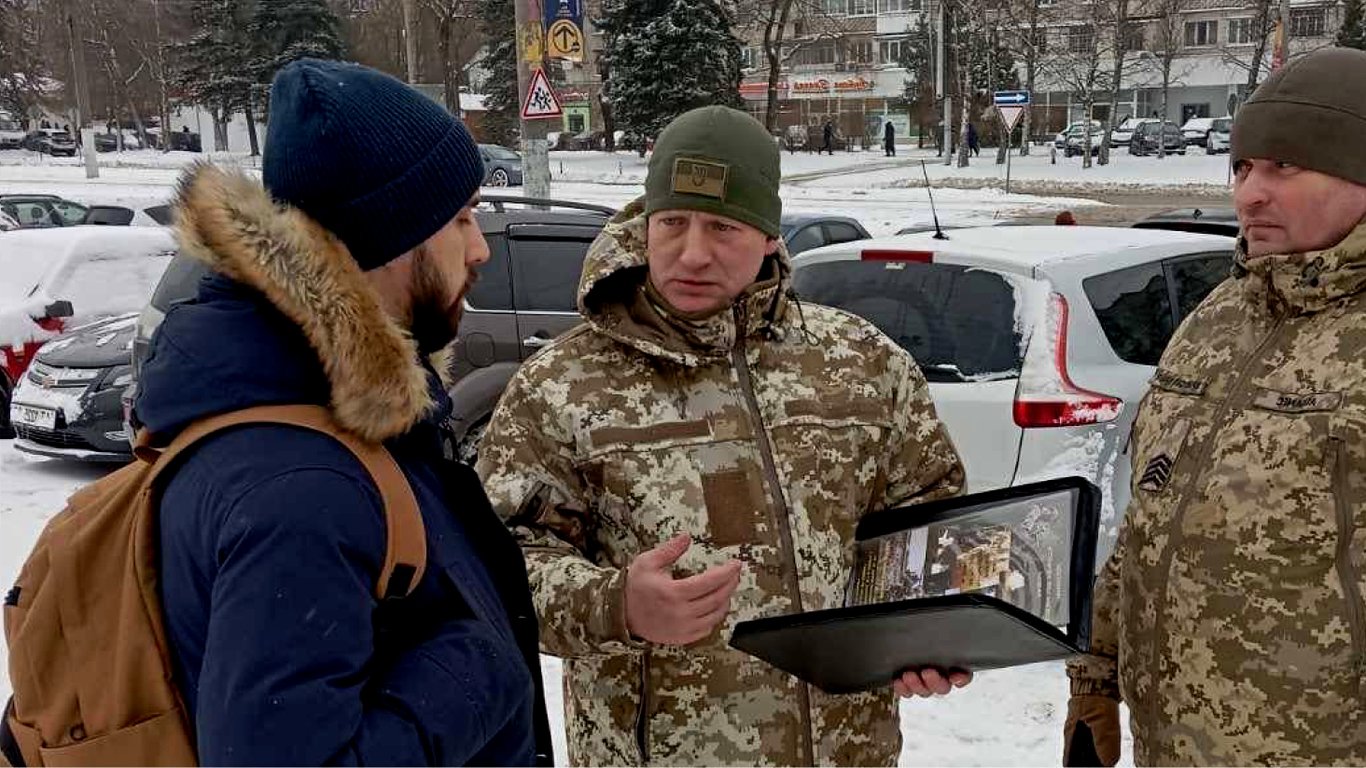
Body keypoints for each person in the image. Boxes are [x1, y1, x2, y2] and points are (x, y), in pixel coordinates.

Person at [476, 105, 969, 767]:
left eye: (722, 227)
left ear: (768, 234)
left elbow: (931, 519)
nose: (693, 253)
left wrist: (926, 631)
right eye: (672, 223)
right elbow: (495, 570)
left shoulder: (863, 363)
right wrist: (615, 605)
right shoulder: (561, 385)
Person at [133, 59, 551, 766]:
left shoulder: (333, 425)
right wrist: (479, 669)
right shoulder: (300, 487)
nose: (480, 248)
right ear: (390, 239)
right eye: (461, 218)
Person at [1064, 47, 1366, 767]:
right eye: (1242, 167)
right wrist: (1094, 679)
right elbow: (1151, 515)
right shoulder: (1220, 317)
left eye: (1284, 166)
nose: (1250, 194)